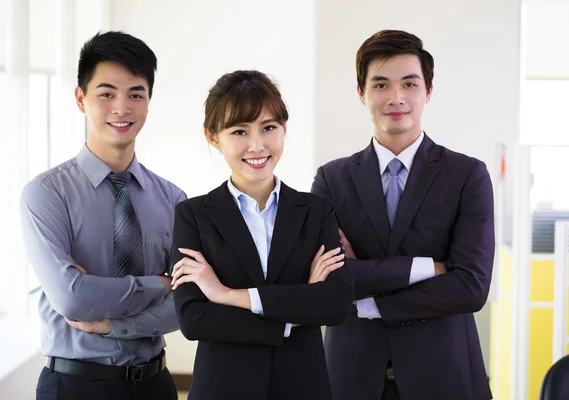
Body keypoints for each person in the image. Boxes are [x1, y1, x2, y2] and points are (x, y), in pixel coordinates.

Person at [311, 30, 494, 400]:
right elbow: (331, 280)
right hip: (351, 374)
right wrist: (432, 268)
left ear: (428, 91)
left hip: (444, 372)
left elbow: (471, 287)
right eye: (381, 84)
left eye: (409, 83)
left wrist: (369, 302)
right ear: (361, 93)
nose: (396, 98)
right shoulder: (331, 179)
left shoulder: (467, 175)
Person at [170, 70, 354, 400]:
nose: (257, 145)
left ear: (284, 129)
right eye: (239, 131)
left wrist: (226, 295)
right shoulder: (193, 215)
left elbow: (336, 304)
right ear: (213, 137)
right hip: (224, 387)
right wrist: (298, 307)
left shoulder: (317, 211)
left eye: (268, 128)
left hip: (303, 385)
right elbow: (194, 318)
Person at [21, 31, 185, 400]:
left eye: (135, 95)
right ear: (81, 98)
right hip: (75, 386)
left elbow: (188, 303)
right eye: (106, 93)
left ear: (148, 101)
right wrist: (159, 283)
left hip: (155, 385)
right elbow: (72, 299)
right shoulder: (46, 193)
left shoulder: (172, 199)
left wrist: (112, 324)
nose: (121, 108)